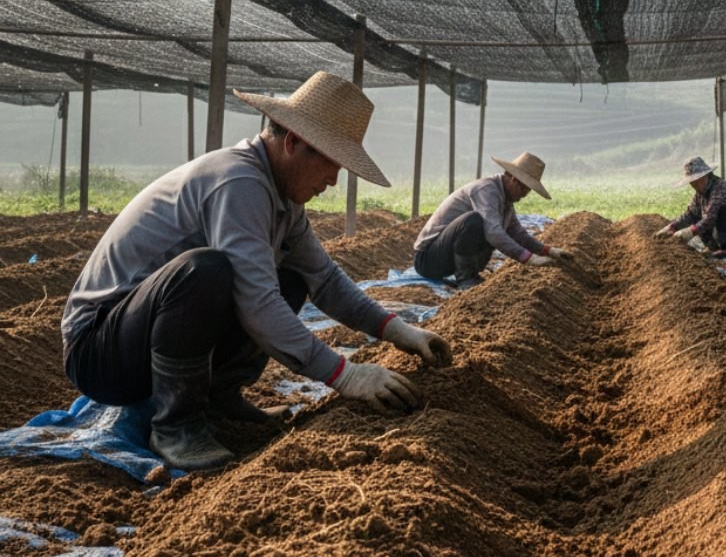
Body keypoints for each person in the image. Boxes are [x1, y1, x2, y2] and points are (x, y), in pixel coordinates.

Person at [61, 71, 453, 471]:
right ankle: (175, 424)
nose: (333, 181)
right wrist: (345, 375)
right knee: (206, 271)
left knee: (292, 279)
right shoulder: (239, 181)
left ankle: (219, 398)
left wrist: (396, 329)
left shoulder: (283, 200)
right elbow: (256, 300)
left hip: (145, 335)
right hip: (100, 349)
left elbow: (324, 278)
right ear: (293, 142)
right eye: (330, 164)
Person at [413, 152, 571, 288]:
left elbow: (517, 232)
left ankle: (470, 275)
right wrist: (528, 258)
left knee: (493, 226)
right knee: (475, 221)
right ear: (514, 180)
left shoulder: (505, 201)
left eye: (528, 191)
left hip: (446, 259)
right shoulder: (487, 190)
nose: (525, 195)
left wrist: (547, 250)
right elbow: (493, 232)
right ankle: (466, 279)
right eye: (524, 189)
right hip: (428, 260)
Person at [654, 156, 726, 252]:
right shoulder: (701, 193)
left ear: (704, 177)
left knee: (721, 212)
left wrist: (690, 231)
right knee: (696, 216)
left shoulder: (720, 188)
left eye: (695, 181)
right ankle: (714, 247)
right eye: (691, 182)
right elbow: (690, 213)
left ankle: (725, 249)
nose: (693, 185)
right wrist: (672, 227)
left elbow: (710, 218)